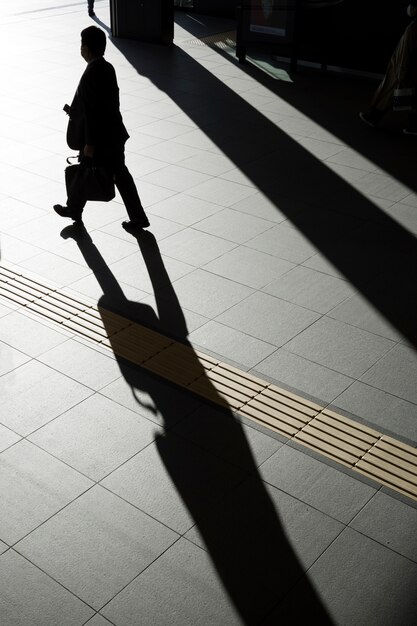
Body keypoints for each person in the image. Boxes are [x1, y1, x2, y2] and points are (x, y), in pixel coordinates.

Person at [54, 26, 150, 232]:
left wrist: (89, 144)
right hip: (113, 133)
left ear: (87, 48)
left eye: (82, 44)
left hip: (100, 139)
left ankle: (76, 209)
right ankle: (75, 209)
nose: (80, 48)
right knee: (112, 174)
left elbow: (93, 113)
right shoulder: (107, 68)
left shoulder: (91, 74)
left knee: (97, 172)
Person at [360, 3, 417, 134]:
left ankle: (374, 117)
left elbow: (406, 53)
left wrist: (401, 72)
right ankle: (412, 126)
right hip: (408, 70)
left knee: (391, 95)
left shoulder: (413, 28)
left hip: (402, 69)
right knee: (408, 97)